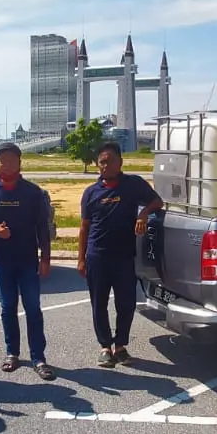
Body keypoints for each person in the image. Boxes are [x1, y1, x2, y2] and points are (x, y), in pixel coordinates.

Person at [0, 142, 55, 380]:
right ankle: (12, 353)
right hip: (2, 260)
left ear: (20, 163)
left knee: (33, 308)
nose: (7, 164)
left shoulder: (33, 192)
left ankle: (39, 358)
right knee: (8, 308)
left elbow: (42, 227)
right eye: (3, 160)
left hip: (28, 260)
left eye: (12, 160)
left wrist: (45, 258)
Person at [78, 141, 163, 368]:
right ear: (97, 165)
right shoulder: (91, 192)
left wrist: (143, 213)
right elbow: (84, 227)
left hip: (124, 256)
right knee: (99, 303)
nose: (106, 165)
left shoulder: (133, 184)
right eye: (102, 162)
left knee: (126, 303)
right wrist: (81, 259)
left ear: (120, 162)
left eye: (111, 160)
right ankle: (105, 347)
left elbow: (157, 201)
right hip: (97, 256)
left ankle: (121, 346)